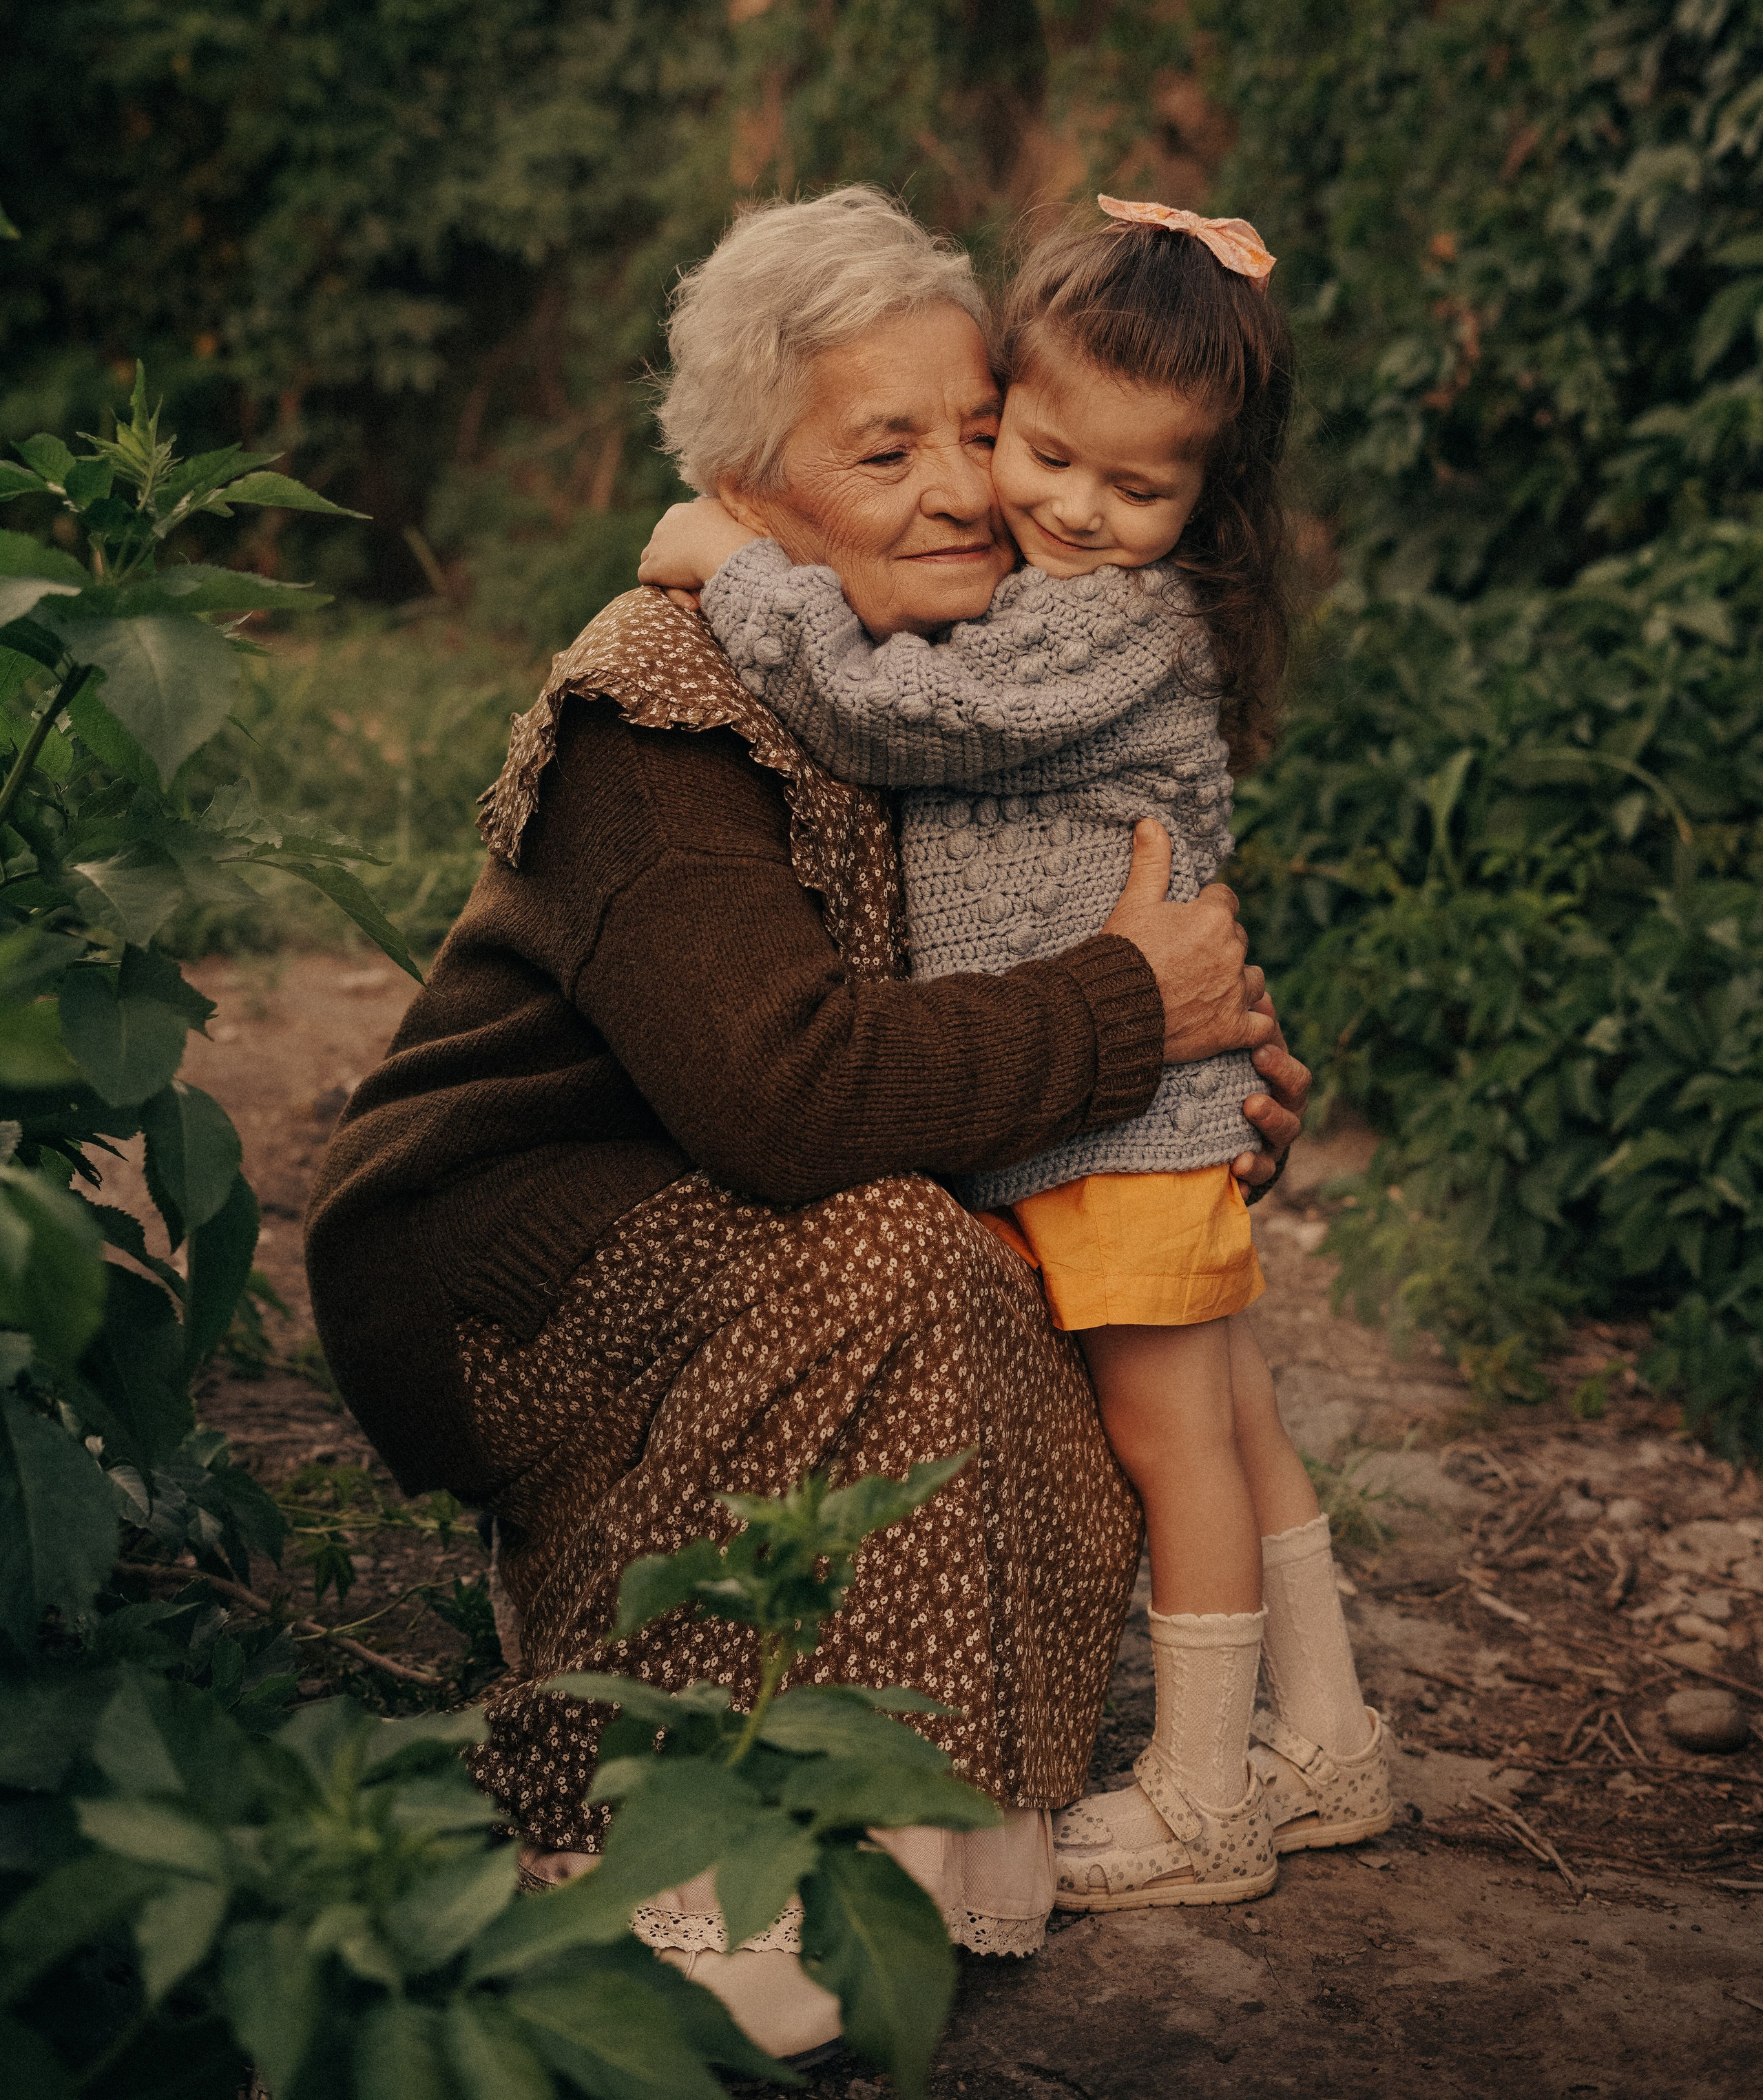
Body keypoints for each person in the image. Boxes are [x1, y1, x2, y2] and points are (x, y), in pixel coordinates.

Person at [305, 185, 1311, 2057]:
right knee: (898, 1257)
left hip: (733, 1167)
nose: (963, 492)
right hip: (503, 1247)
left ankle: (935, 1831)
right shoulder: (659, 708)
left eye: (974, 430)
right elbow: (794, 1097)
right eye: (884, 448)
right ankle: (700, 1867)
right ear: (747, 490)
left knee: (1059, 1281)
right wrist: (1126, 1012)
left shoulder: (954, 675)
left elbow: (1041, 959)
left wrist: (1204, 1082)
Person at [638, 195, 1390, 1920]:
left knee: (1169, 1444)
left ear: (1205, 495)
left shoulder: (1102, 620)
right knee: (1236, 1423)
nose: (1062, 508)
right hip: (1140, 1100)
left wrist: (735, 568)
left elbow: (902, 714)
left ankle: (1202, 1794)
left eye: (1135, 488)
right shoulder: (1056, 595)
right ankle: (1326, 1741)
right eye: (1036, 452)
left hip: (1125, 1122)